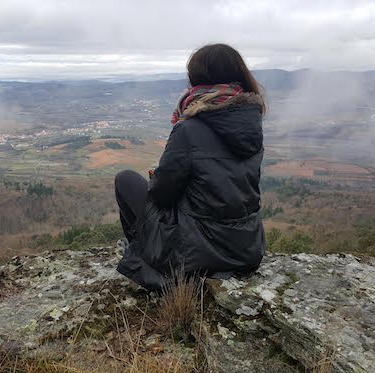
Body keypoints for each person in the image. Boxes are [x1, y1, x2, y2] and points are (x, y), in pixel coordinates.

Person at [114, 43, 266, 291]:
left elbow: (161, 194)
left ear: (198, 80)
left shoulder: (189, 128)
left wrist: (158, 178)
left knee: (126, 180)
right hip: (246, 248)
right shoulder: (251, 124)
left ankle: (150, 262)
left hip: (198, 253)